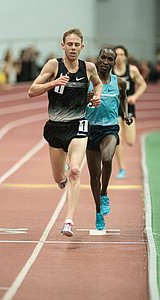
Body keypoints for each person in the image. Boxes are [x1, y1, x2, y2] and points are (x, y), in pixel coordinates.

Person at [28, 28, 102, 237]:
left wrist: (96, 96)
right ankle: (62, 177)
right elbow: (32, 91)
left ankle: (68, 221)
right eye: (69, 44)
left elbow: (97, 83)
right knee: (59, 177)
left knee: (76, 171)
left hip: (78, 125)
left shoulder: (88, 67)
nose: (73, 48)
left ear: (82, 47)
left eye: (76, 44)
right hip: (56, 128)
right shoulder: (54, 65)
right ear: (63, 45)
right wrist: (53, 82)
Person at [86, 48, 133, 230]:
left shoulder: (119, 82)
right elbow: (77, 100)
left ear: (114, 62)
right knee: (94, 175)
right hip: (90, 129)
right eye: (103, 57)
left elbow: (123, 98)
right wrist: (85, 98)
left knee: (107, 158)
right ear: (98, 59)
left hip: (110, 128)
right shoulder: (89, 81)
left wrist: (126, 114)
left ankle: (104, 193)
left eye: (110, 59)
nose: (105, 61)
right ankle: (98, 211)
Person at [112, 45, 147, 179]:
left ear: (125, 56)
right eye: (117, 55)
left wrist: (135, 96)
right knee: (117, 138)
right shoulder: (110, 71)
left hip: (128, 107)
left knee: (131, 141)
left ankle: (122, 167)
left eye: (122, 54)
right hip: (114, 107)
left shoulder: (132, 70)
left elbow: (143, 84)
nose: (119, 57)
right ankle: (122, 168)